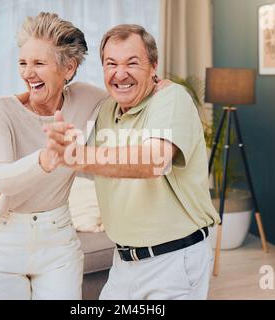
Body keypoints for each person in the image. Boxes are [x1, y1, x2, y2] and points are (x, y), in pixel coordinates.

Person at [45, 24, 221, 300]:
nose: (120, 73)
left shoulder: (170, 98)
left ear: (154, 66)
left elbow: (154, 161)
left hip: (173, 260)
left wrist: (79, 156)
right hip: (124, 262)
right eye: (111, 63)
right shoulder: (105, 110)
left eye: (132, 63)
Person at [0, 12, 108, 300]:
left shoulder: (87, 98)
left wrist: (160, 85)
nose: (27, 73)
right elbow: (1, 177)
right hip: (2, 242)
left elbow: (127, 95)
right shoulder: (1, 109)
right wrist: (44, 160)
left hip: (58, 240)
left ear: (68, 68)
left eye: (38, 63)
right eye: (23, 63)